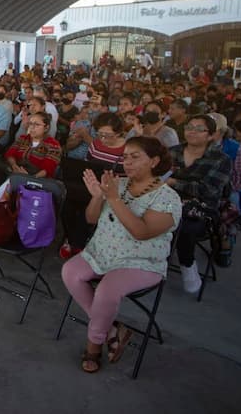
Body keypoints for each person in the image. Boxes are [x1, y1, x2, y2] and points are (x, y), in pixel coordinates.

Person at [61, 137, 181, 373]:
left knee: (107, 290)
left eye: (135, 157)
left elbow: (141, 232)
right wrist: (97, 196)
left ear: (154, 161)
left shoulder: (168, 198)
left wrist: (113, 198)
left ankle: (94, 345)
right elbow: (91, 219)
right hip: (103, 252)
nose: (127, 162)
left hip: (141, 261)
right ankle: (113, 328)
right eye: (125, 157)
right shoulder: (119, 184)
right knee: (70, 272)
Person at [167, 115, 232, 294]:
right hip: (168, 202)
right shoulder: (172, 152)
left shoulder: (220, 159)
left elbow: (209, 190)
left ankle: (187, 264)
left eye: (199, 129)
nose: (192, 131)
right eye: (189, 127)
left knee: (184, 226)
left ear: (210, 136)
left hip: (202, 208)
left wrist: (174, 183)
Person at [3, 112, 61, 178]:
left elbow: (47, 169)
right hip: (15, 173)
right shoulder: (22, 138)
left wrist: (31, 178)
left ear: (46, 128)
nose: (32, 127)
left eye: (37, 124)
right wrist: (14, 166)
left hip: (37, 180)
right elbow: (10, 154)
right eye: (30, 124)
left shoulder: (53, 146)